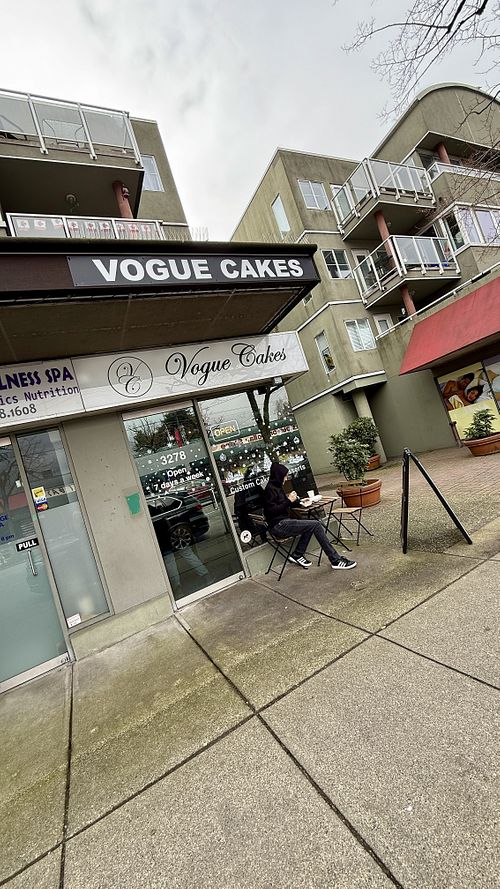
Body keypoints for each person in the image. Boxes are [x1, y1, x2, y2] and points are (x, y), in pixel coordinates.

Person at [263, 462, 356, 570]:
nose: (286, 478)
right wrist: (289, 501)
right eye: (285, 476)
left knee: (311, 524)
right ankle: (335, 560)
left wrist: (298, 501)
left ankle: (297, 554)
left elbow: (283, 504)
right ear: (279, 476)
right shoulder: (270, 490)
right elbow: (272, 511)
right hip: (278, 526)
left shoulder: (277, 487)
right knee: (315, 524)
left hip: (283, 522)